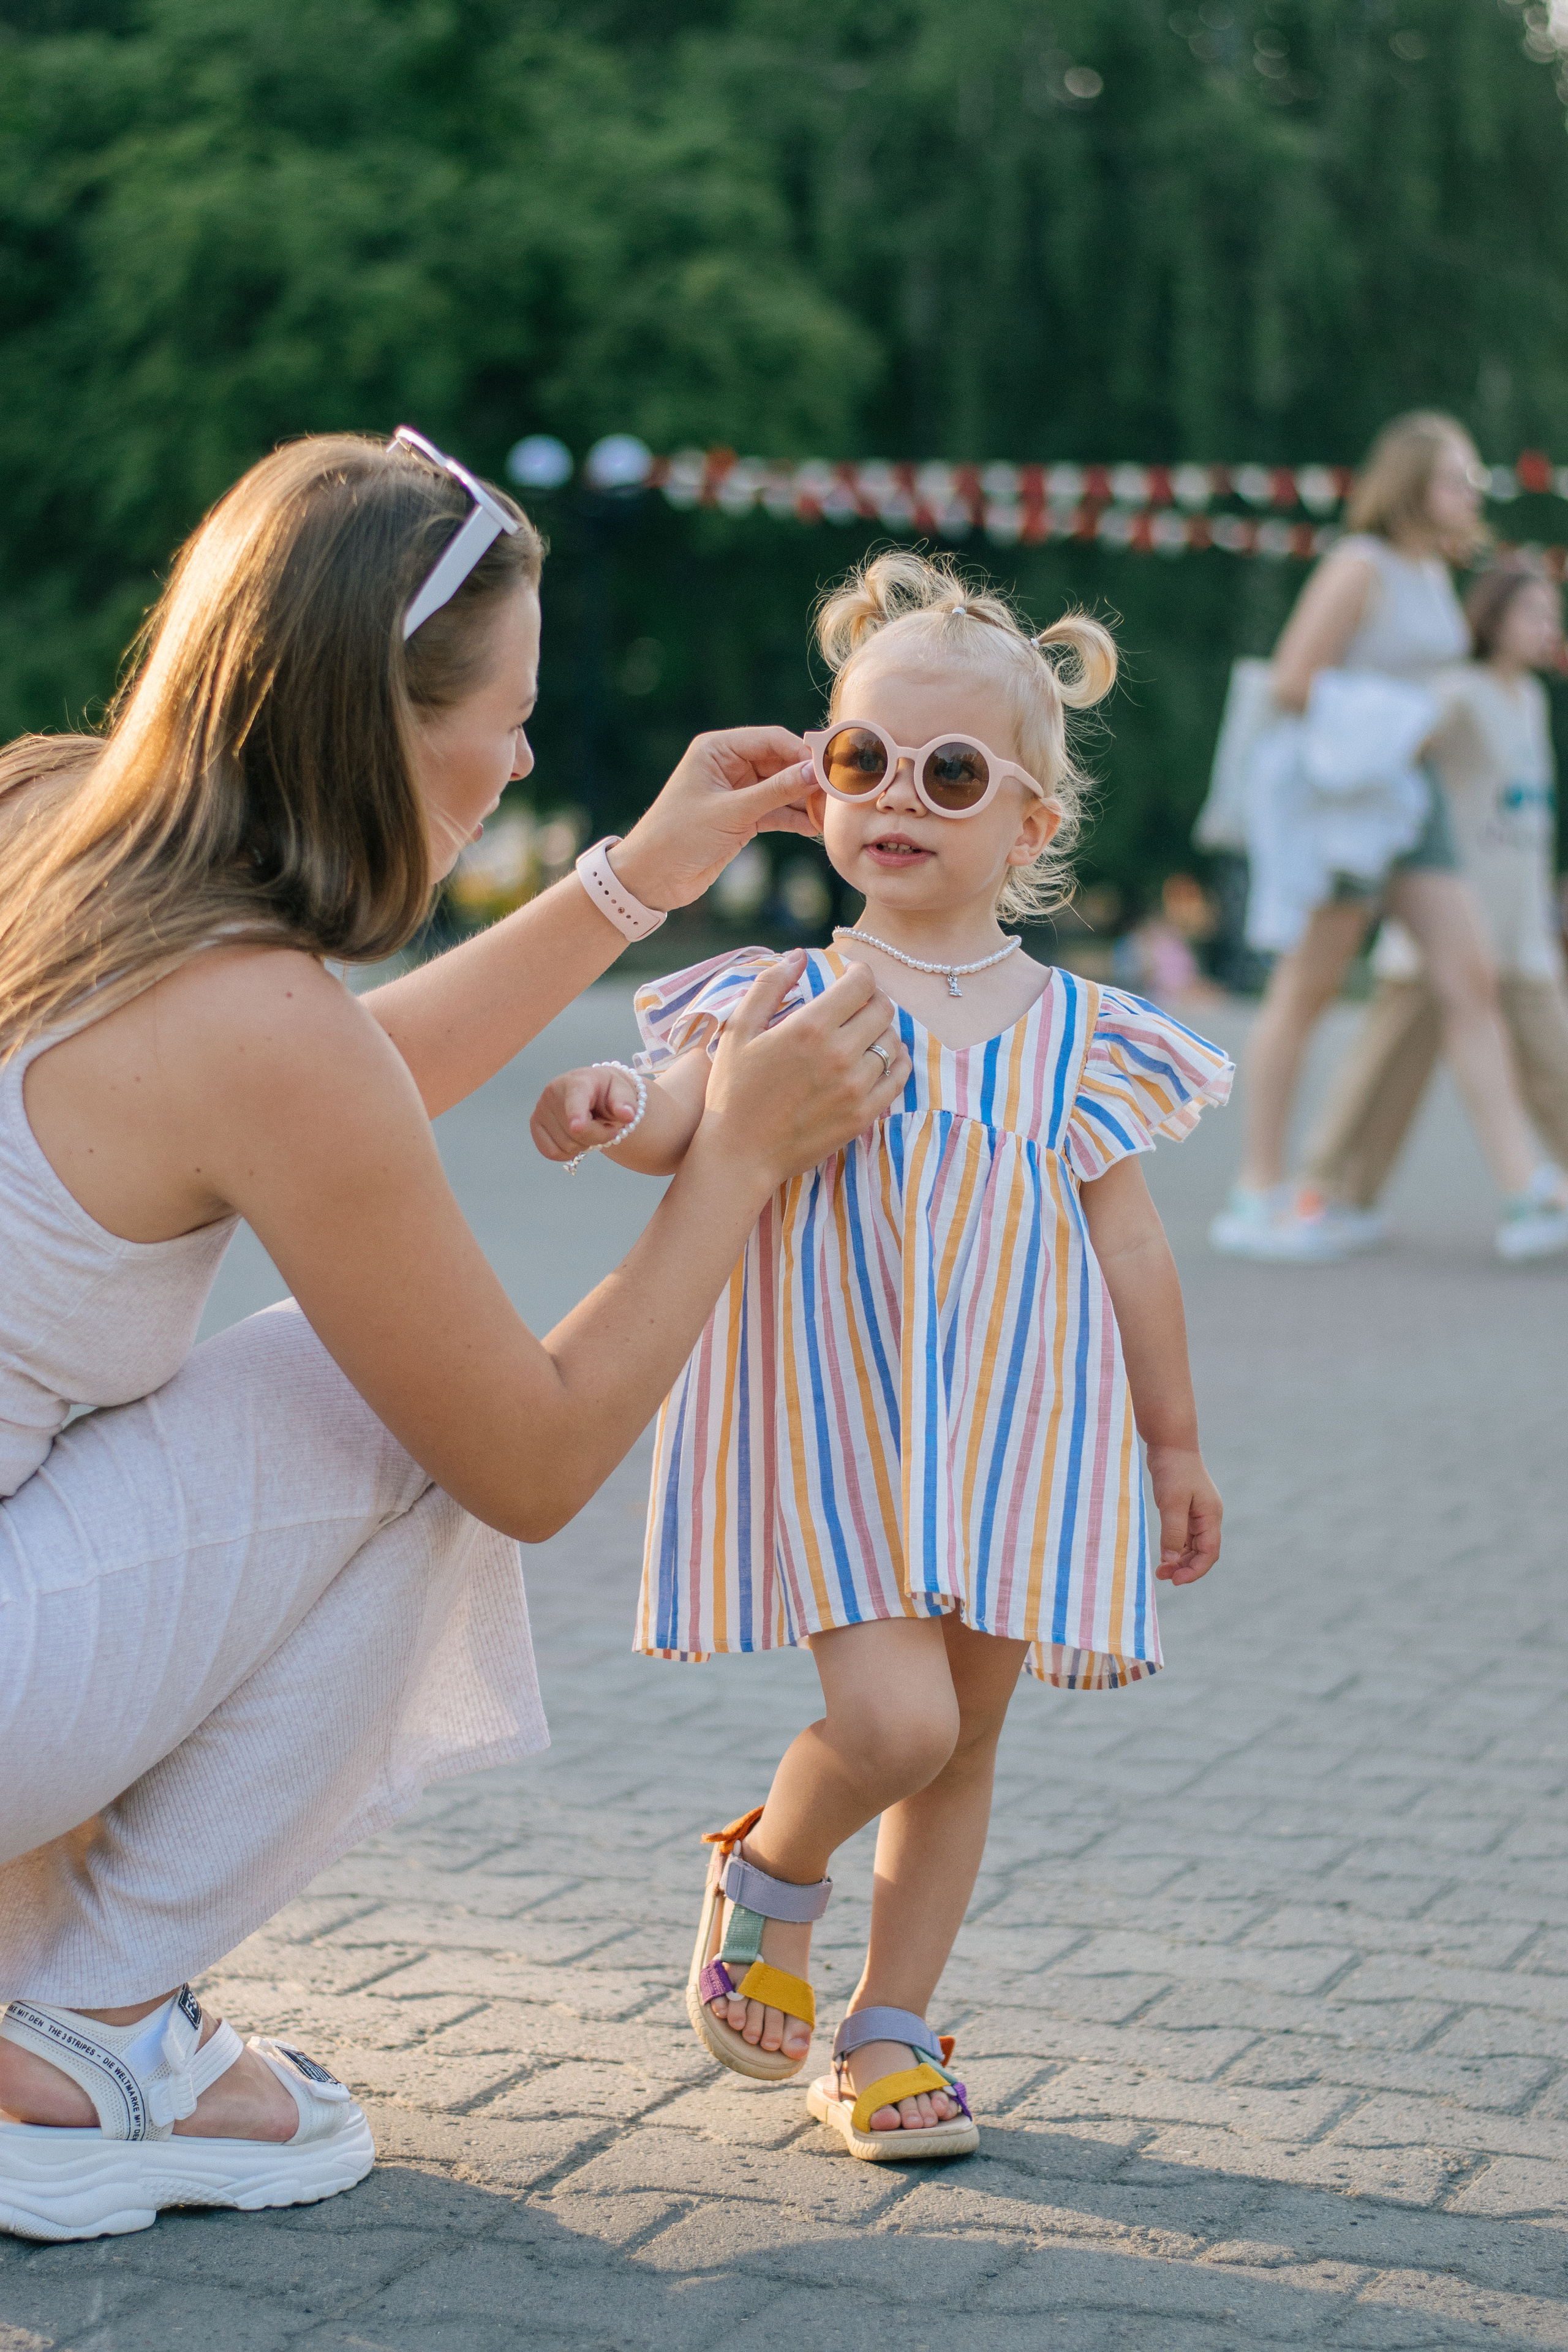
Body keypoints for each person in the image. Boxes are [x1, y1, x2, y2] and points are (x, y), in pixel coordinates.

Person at [0, 429, 910, 2244]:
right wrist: (731, 1162)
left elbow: (337, 1096)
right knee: (398, 1401)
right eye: (502, 714)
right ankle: (72, 2041)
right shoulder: (252, 1018)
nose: (511, 753)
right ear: (366, 721)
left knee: (313, 1366)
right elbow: (533, 1451)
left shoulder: (54, 815)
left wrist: (631, 878)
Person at [531, 551, 1231, 2162]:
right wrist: (615, 1109)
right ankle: (775, 1867)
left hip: (1023, 1434)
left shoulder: (1079, 1037)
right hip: (840, 1420)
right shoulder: (787, 992)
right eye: (862, 760)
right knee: (898, 1724)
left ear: (1031, 825)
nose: (898, 795)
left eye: (953, 773)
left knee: (967, 1737)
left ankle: (891, 2024)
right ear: (820, 780)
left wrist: (1173, 1443)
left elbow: (1130, 1244)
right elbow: (690, 1124)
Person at [1207, 412, 1564, 1262]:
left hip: (1413, 795)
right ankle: (1258, 1189)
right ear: (1409, 483)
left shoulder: (1433, 574)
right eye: (1454, 477)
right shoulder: (1358, 566)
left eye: (1473, 480)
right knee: (1309, 988)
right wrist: (1398, 718)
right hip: (1350, 800)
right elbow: (1294, 682)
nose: (1469, 494)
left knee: (1470, 977)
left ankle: (1524, 1191)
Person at [1301, 564, 1568, 1257]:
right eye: (1533, 612)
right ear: (1493, 618)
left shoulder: (1532, 698)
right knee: (1386, 1069)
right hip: (1448, 920)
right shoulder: (1457, 692)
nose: (1547, 626)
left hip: (1519, 924)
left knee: (1556, 1066)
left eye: (1552, 613)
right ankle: (1326, 1193)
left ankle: (1540, 1196)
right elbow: (1396, 745)